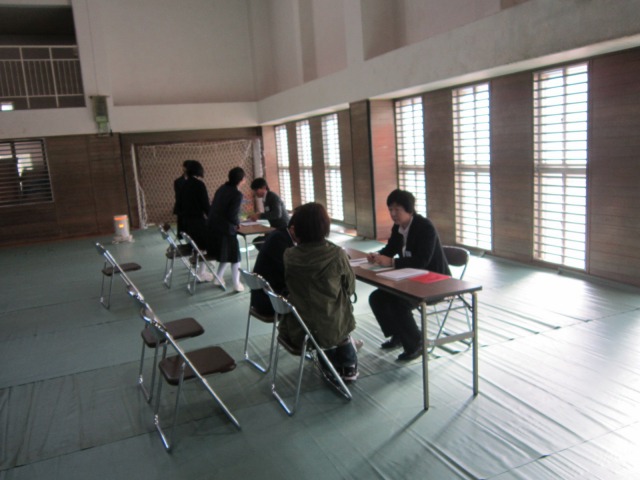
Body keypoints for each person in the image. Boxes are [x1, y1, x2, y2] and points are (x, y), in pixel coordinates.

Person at [367, 189, 451, 361]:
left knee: (399, 302)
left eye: (397, 209)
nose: (393, 214)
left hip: (434, 281)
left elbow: (422, 261)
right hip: (411, 278)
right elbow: (390, 249)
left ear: (409, 209)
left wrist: (391, 262)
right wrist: (377, 256)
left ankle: (416, 343)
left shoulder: (425, 227)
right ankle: (399, 335)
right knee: (377, 298)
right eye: (390, 209)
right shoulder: (398, 227)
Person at [280, 202, 359, 382]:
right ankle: (348, 365)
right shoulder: (337, 255)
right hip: (330, 328)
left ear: (297, 228)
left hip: (299, 328)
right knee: (335, 311)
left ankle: (329, 364)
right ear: (325, 226)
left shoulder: (289, 255)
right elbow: (350, 288)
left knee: (321, 312)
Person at [207, 166, 246, 292]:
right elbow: (232, 215)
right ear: (241, 180)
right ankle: (236, 284)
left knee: (226, 254)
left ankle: (218, 277)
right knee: (235, 257)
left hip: (214, 227)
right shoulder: (237, 194)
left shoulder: (222, 188)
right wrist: (238, 223)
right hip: (226, 229)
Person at [250, 217, 296, 316]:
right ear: (293, 229)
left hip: (262, 296)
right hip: (270, 303)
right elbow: (290, 275)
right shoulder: (280, 242)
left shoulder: (279, 234)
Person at [247, 178, 290, 251]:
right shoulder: (266, 198)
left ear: (264, 188)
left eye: (256, 190)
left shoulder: (273, 197)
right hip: (274, 228)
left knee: (259, 242)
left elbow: (277, 214)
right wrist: (258, 215)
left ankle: (270, 256)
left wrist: (260, 216)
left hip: (283, 229)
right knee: (258, 241)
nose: (255, 193)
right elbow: (269, 213)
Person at [173, 160, 191, 239]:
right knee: (182, 229)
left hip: (192, 208)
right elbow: (178, 196)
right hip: (182, 208)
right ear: (184, 168)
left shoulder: (197, 182)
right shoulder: (178, 181)